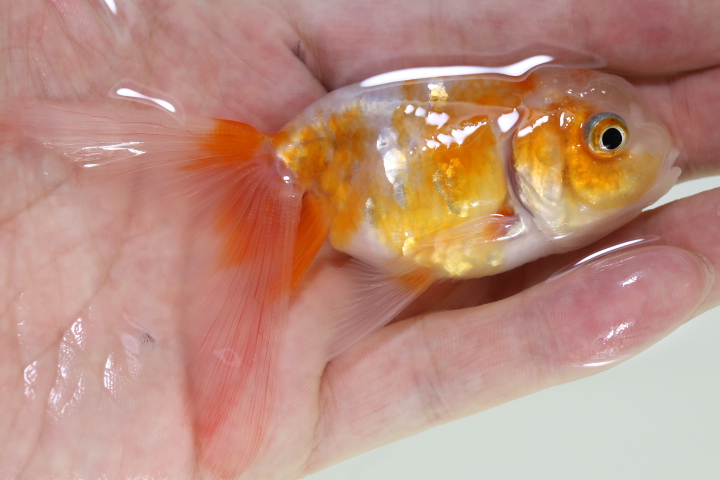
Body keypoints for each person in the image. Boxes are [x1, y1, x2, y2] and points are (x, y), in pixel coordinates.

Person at [1, 0, 718, 478]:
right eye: (608, 141)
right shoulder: (498, 198)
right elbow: (442, 248)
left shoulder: (514, 182)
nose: (630, 154)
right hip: (342, 162)